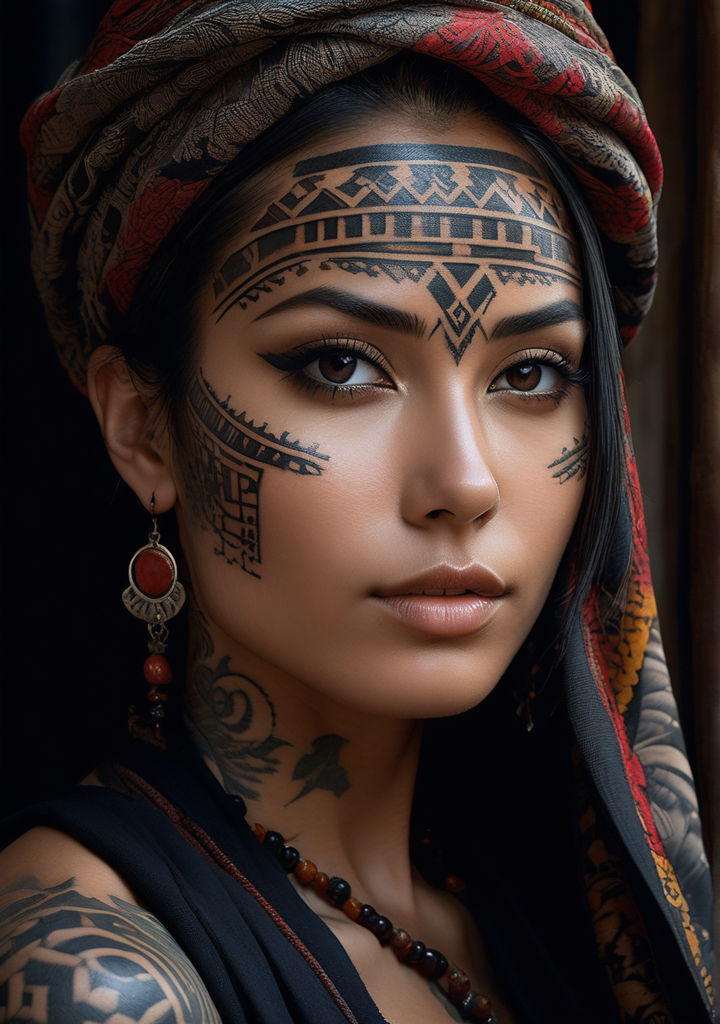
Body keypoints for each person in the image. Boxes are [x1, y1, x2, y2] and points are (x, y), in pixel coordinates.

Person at [0, 2, 714, 1022]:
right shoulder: (99, 980)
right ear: (144, 429)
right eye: (341, 365)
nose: (464, 482)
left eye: (531, 373)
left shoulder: (532, 920)